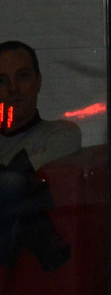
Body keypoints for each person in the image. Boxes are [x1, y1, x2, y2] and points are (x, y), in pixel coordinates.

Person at [0, 41, 79, 270]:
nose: (13, 88)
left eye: (22, 76)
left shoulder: (60, 133)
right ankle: (45, 240)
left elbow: (19, 176)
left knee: (13, 183)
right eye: (2, 80)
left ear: (38, 81)